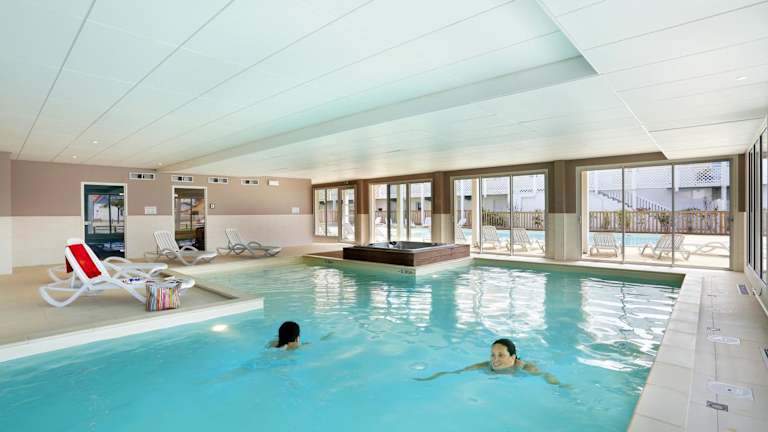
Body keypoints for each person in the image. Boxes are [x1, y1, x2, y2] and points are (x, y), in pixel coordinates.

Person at [415, 338, 561, 385]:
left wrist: (560, 386)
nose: (495, 360)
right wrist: (430, 378)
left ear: (513, 357)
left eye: (501, 355)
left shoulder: (526, 368)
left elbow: (545, 375)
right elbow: (457, 372)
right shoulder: (486, 366)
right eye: (493, 355)